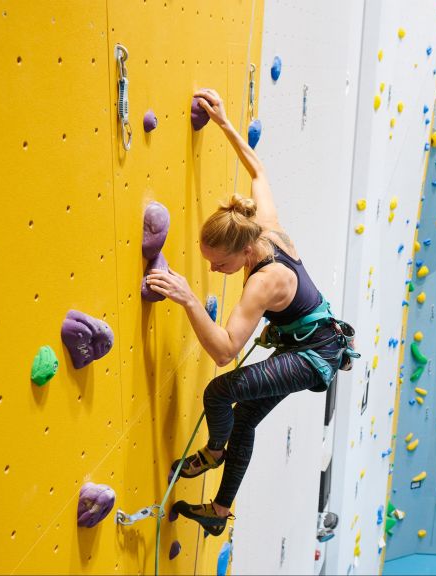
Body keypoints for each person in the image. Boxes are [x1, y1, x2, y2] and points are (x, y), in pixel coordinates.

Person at [146, 88, 357, 536]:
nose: (212, 268)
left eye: (219, 264)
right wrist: (223, 123)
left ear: (244, 253)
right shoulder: (265, 227)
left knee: (220, 393)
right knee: (244, 417)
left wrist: (186, 299)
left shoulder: (264, 281)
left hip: (312, 356)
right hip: (311, 342)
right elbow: (258, 169)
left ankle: (215, 453)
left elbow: (224, 351)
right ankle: (219, 513)